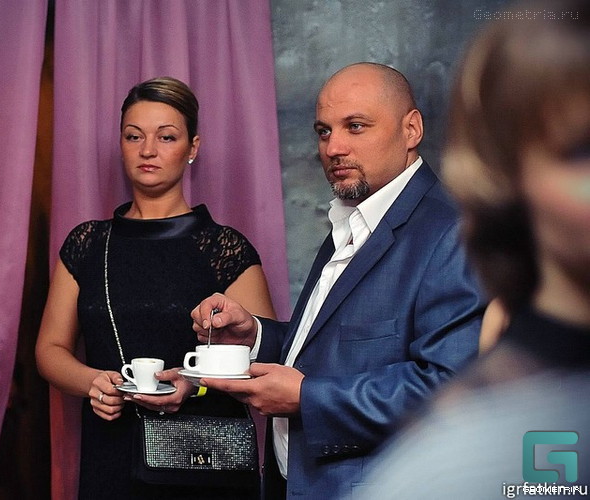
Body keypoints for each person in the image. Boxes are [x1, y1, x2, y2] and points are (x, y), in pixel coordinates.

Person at [191, 62, 486, 499]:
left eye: (356, 126)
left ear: (411, 129)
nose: (333, 147)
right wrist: (255, 336)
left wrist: (307, 398)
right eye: (324, 131)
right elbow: (336, 348)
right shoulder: (355, 219)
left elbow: (451, 386)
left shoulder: (452, 231)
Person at [353, 1, 590, 497]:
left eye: (355, 126)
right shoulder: (466, 457)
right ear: (501, 179)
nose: (335, 147)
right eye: (582, 151)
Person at [36, 76, 275, 499]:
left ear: (192, 148)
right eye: (134, 136)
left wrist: (193, 382)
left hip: (203, 463)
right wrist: (94, 382)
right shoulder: (88, 243)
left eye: (166, 137)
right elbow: (50, 349)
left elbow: (263, 360)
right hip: (111, 451)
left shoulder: (224, 248)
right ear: (121, 144)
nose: (148, 150)